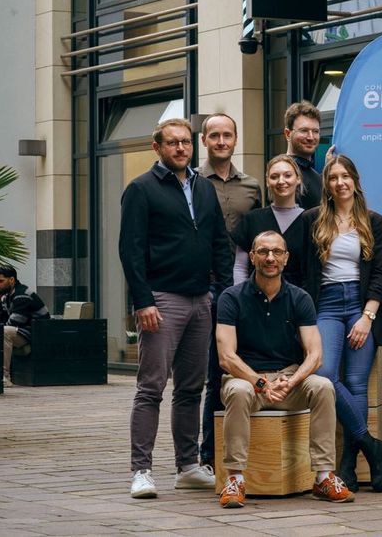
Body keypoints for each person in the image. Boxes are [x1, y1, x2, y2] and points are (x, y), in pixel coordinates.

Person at [118, 118, 233, 499]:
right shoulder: (141, 189)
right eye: (173, 143)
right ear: (158, 148)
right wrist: (143, 300)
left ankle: (187, 466)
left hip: (202, 299)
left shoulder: (203, 188)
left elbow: (219, 241)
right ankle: (141, 470)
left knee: (190, 388)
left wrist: (221, 292)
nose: (181, 148)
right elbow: (130, 251)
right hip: (162, 299)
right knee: (151, 387)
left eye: (185, 142)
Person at [216, 230, 353, 508]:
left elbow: (315, 355)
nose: (270, 258)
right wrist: (260, 383)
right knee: (240, 391)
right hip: (245, 379)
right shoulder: (231, 298)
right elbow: (226, 357)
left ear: (286, 258)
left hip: (288, 378)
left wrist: (292, 381)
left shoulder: (300, 298)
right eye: (263, 252)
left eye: (277, 252)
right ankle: (235, 480)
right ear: (252, 256)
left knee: (323, 386)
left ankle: (324, 476)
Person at [301, 155, 382, 492]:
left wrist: (367, 317)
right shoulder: (313, 220)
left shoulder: (373, 220)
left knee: (356, 382)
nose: (339, 183)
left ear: (355, 180)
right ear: (326, 184)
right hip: (325, 304)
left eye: (345, 176)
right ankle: (373, 446)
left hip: (360, 303)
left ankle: (347, 467)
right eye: (333, 177)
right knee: (324, 375)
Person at [198, 112, 262, 470]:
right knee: (213, 371)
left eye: (227, 135)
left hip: (241, 287)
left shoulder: (252, 186)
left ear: (235, 140)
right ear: (204, 141)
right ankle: (208, 456)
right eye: (215, 136)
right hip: (201, 284)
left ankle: (245, 452)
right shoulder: (191, 182)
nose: (221, 141)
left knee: (241, 367)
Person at [231, 155, 307, 287]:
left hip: (297, 300)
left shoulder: (310, 221)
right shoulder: (252, 219)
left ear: (298, 179)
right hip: (255, 297)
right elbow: (240, 268)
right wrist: (240, 299)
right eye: (274, 176)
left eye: (287, 175)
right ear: (267, 181)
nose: (281, 181)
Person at [0, 265, 49, 387]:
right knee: (0, 331)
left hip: (37, 333)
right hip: (24, 331)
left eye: (1, 281)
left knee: (4, 332)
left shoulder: (22, 295)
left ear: (11, 280)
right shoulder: (7, 296)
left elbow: (14, 323)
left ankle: (4, 377)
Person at [284, 101, 324, 208]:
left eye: (315, 131)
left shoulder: (315, 176)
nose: (311, 137)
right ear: (288, 134)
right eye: (304, 130)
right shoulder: (282, 172)